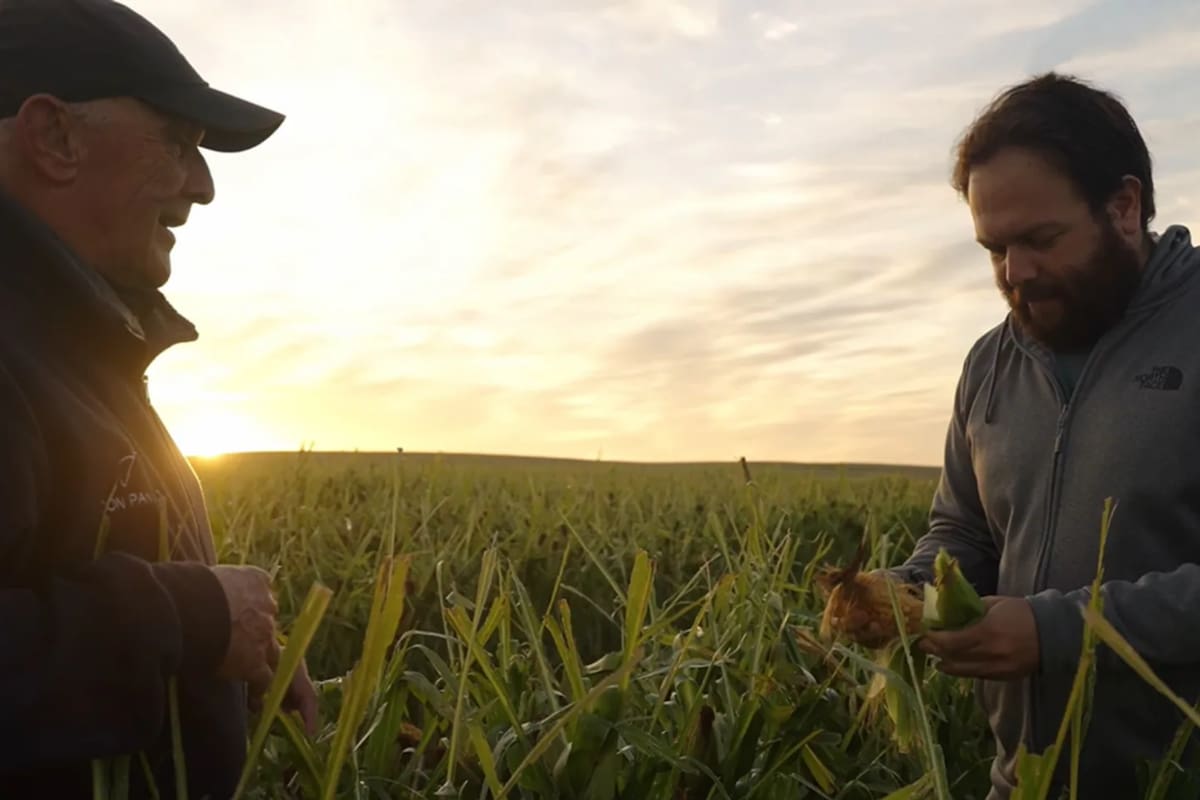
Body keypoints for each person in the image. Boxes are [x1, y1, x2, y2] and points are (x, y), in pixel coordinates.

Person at [0, 1, 316, 798]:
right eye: (176, 142)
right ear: (54, 138)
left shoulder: (74, 347)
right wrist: (191, 619)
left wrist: (227, 651)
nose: (202, 187)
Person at [871, 72, 1200, 798]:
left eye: (1039, 240)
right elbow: (963, 530)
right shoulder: (990, 364)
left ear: (1123, 206)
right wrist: (907, 592)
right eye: (994, 249)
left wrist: (1057, 632)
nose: (1015, 273)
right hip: (1022, 782)